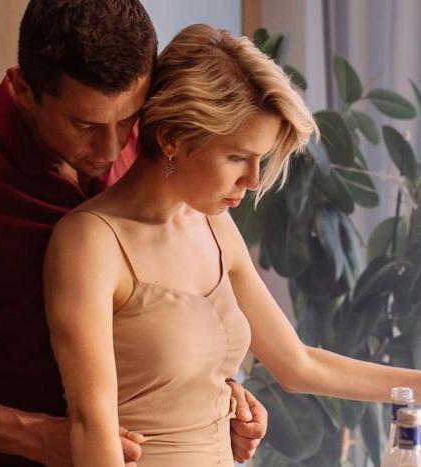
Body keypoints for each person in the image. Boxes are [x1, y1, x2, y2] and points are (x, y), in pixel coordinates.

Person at [0, 2, 267, 466]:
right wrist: (38, 437)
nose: (112, 148)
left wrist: (211, 398)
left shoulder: (149, 140)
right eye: (84, 125)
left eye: (129, 119)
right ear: (23, 88)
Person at [43, 22, 421, 467]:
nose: (254, 179)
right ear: (172, 139)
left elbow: (298, 364)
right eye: (238, 157)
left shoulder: (213, 223)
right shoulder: (91, 243)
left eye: (261, 159)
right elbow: (92, 427)